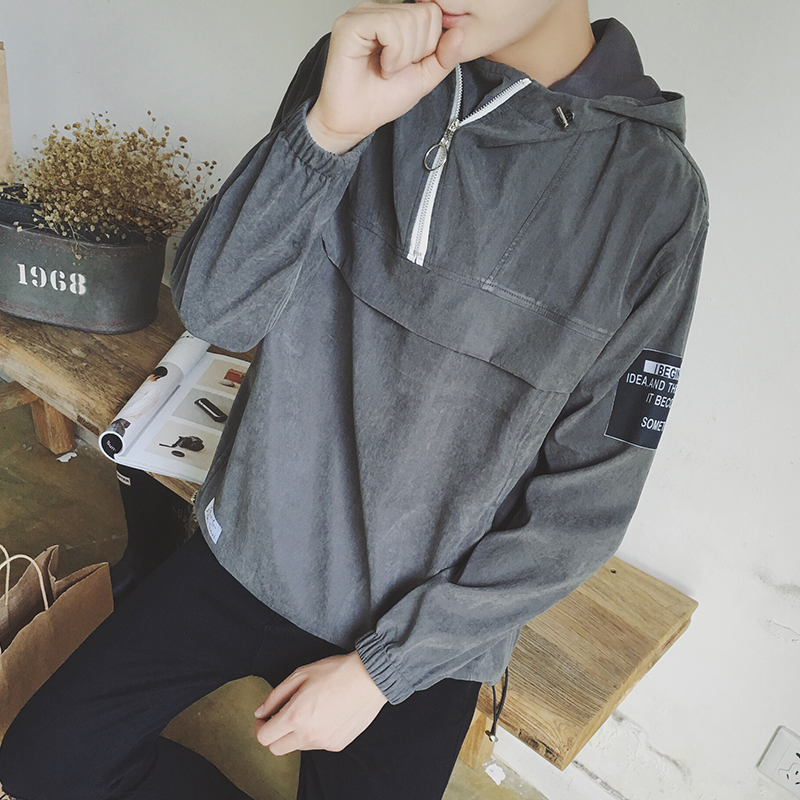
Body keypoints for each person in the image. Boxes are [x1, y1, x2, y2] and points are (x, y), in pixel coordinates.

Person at [0, 1, 710, 798]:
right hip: (251, 551)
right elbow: (216, 312)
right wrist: (327, 133)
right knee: (43, 764)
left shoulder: (657, 197)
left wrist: (383, 671)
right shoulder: (358, 65)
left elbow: (586, 504)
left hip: (422, 628)